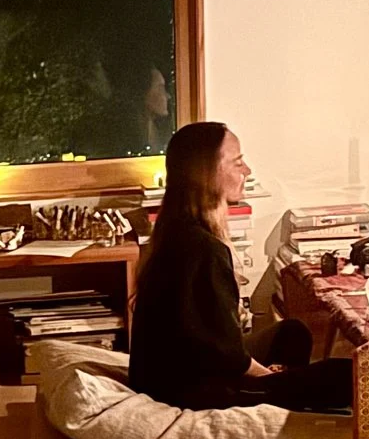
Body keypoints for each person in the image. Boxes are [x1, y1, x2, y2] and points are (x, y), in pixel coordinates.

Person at [128, 121, 352, 412]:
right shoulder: (203, 249)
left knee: (292, 332)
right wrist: (272, 378)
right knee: (346, 377)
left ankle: (284, 409)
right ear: (208, 172)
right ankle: (277, 408)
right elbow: (229, 358)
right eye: (237, 162)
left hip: (185, 371)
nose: (247, 170)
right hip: (194, 391)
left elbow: (213, 342)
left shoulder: (177, 229)